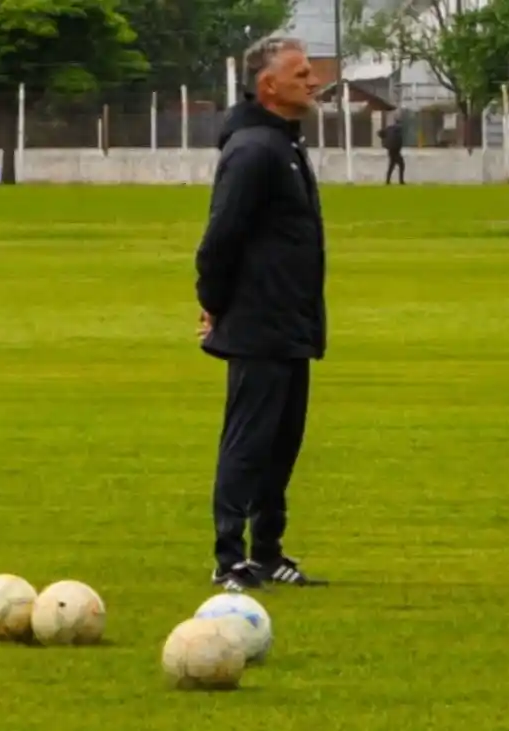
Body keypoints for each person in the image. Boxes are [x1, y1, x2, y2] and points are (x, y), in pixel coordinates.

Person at [194, 36, 329, 592]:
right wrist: (215, 305)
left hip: (290, 322)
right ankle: (229, 559)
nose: (314, 81)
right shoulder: (254, 150)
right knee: (249, 444)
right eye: (301, 74)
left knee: (281, 445)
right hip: (258, 324)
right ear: (269, 86)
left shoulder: (284, 145)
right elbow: (219, 239)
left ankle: (268, 553)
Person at [378, 116, 405, 184]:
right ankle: (400, 181)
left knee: (392, 165)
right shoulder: (398, 130)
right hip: (396, 150)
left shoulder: (389, 128)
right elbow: (398, 141)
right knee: (401, 165)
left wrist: (385, 141)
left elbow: (379, 133)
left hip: (391, 150)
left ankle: (388, 180)